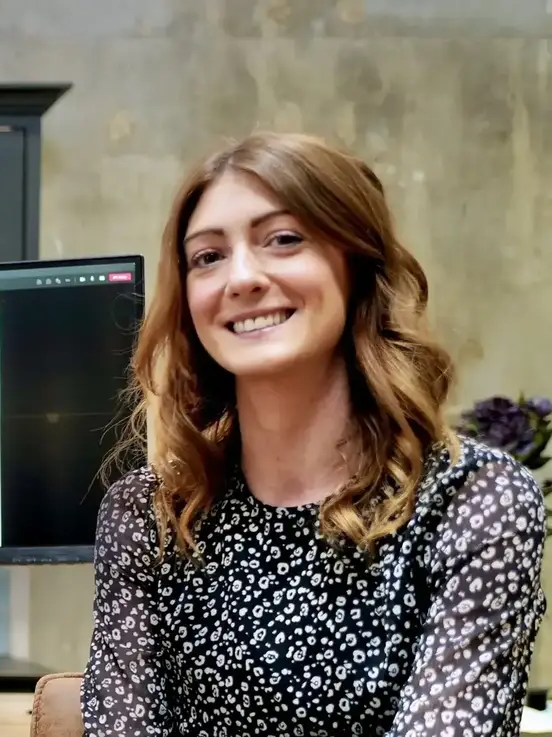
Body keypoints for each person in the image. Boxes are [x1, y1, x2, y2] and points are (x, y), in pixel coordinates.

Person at [82, 132, 547, 736]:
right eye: (207, 257)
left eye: (284, 240)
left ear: (357, 265)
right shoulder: (148, 514)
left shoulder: (475, 501)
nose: (241, 278)